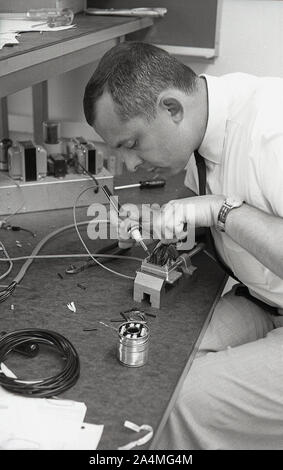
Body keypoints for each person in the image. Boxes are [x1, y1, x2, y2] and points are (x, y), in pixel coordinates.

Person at [83, 42, 283, 450]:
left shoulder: (271, 132)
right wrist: (164, 227)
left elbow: (222, 211)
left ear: (172, 108)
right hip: (264, 300)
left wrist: (218, 209)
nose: (131, 165)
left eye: (131, 143)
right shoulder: (202, 125)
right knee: (154, 358)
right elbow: (223, 231)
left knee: (180, 403)